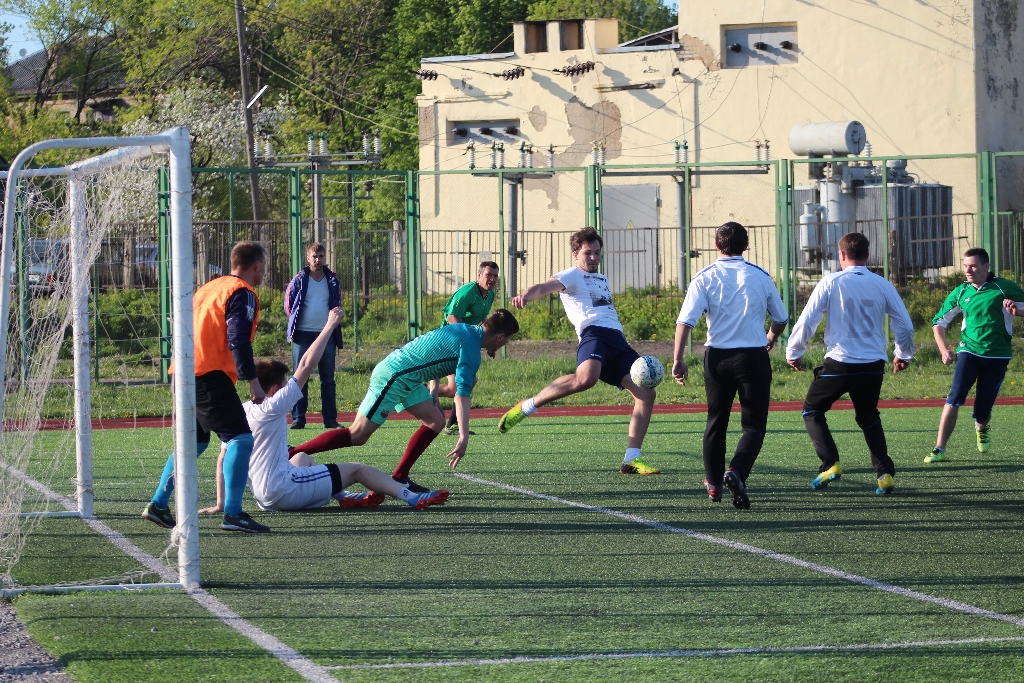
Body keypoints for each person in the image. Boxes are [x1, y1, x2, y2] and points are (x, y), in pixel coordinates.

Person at [288, 309, 520, 492]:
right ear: (500, 336)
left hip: (407, 377)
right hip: (394, 376)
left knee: (435, 421)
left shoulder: (464, 329)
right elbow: (461, 395)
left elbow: (435, 350)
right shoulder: (471, 349)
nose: (505, 344)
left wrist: (433, 391)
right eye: (507, 340)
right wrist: (463, 436)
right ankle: (292, 452)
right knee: (357, 435)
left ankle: (400, 477)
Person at [246, 306, 449, 512]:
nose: (287, 386)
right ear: (275, 389)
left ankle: (343, 496)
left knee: (302, 458)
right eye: (284, 384)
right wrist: (330, 325)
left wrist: (229, 505)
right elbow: (306, 364)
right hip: (285, 491)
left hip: (262, 498)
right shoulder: (275, 405)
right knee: (357, 469)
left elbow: (229, 458)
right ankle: (412, 497)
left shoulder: (244, 410)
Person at [498, 227, 659, 476]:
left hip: (617, 340)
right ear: (576, 254)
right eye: (588, 253)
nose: (594, 257)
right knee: (586, 379)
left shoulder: (602, 278)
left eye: (597, 252)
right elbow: (544, 286)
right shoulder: (572, 275)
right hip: (593, 335)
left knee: (646, 393)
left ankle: (631, 460)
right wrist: (526, 295)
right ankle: (528, 406)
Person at [142, 241, 271, 533]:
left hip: (182, 371)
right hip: (208, 374)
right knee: (240, 439)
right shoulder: (241, 292)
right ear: (256, 265)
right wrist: (253, 382)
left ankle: (159, 504)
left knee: (195, 444)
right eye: (264, 266)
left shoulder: (208, 288)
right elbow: (238, 339)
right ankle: (233, 513)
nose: (264, 271)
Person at [785, 232, 915, 495]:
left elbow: (808, 319)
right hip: (873, 365)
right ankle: (884, 474)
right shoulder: (882, 284)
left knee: (812, 410)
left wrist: (794, 351)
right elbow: (905, 324)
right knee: (868, 416)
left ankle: (830, 464)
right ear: (868, 255)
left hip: (840, 363)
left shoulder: (831, 281)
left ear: (841, 254)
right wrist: (903, 354)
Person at [672, 222, 788, 509]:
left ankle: (713, 484)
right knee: (753, 425)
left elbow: (685, 321)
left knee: (716, 421)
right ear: (746, 246)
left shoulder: (705, 276)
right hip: (752, 357)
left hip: (718, 358)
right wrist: (770, 338)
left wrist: (678, 359)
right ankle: (736, 471)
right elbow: (781, 318)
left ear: (716, 245)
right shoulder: (760, 276)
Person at [926, 247, 1024, 462]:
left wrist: (1017, 310)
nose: (968, 270)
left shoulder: (1003, 287)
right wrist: (944, 349)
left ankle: (982, 426)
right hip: (968, 351)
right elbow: (938, 322)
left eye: (972, 266)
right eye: (965, 266)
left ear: (986, 266)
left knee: (982, 410)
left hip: (997, 356)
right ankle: (939, 448)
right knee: (954, 397)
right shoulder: (961, 291)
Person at [284, 242, 344, 429]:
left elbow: (338, 302)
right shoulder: (299, 279)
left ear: (325, 257)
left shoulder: (332, 280)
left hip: (326, 335)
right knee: (300, 377)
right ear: (308, 258)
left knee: (328, 379)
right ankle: (298, 419)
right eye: (314, 256)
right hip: (302, 334)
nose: (318, 260)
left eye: (321, 256)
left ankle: (330, 419)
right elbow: (289, 306)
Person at [438, 261, 499, 435]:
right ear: (479, 275)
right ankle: (411, 390)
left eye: (495, 276)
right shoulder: (468, 291)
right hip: (449, 340)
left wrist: (489, 343)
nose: (492, 279)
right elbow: (451, 316)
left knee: (459, 385)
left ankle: (414, 390)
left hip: (461, 341)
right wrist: (467, 337)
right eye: (488, 275)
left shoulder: (490, 294)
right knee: (464, 383)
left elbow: (481, 320)